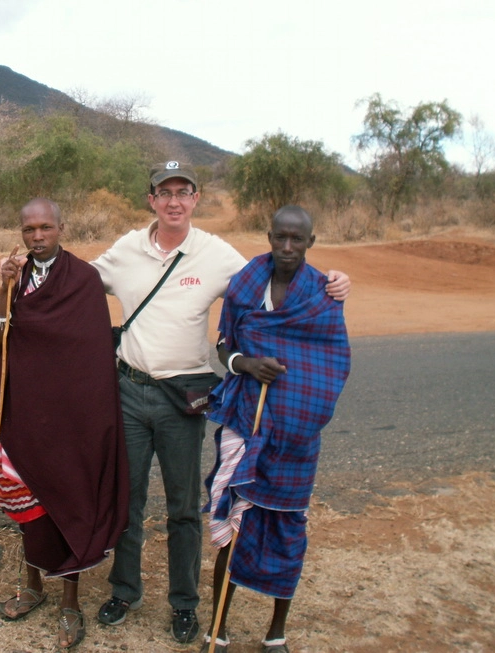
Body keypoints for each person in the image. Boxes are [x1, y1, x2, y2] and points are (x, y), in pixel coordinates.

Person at [90, 162, 351, 644]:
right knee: (126, 500)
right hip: (126, 389)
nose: (173, 201)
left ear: (195, 198)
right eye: (163, 192)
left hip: (183, 396)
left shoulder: (218, 255)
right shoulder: (126, 248)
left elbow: (274, 273)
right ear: (151, 199)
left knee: (185, 507)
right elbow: (81, 284)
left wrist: (333, 281)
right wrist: (27, 272)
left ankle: (184, 605)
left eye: (183, 192)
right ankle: (124, 591)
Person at [0, 198, 128, 650]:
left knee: (68, 496)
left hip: (70, 417)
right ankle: (32, 585)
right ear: (21, 231)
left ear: (61, 228)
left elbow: (91, 357)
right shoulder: (17, 276)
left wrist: (90, 418)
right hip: (21, 410)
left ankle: (70, 600)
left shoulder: (85, 280)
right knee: (24, 495)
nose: (37, 236)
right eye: (29, 228)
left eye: (46, 228)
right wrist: (3, 287)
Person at [200, 205, 351, 653]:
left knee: (288, 527)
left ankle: (275, 634)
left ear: (310, 242)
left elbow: (332, 363)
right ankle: (218, 629)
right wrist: (245, 363)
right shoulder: (246, 283)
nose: (287, 247)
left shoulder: (323, 295)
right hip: (246, 418)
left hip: (296, 434)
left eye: (297, 240)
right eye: (280, 238)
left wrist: (301, 415)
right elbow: (224, 345)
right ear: (268, 237)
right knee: (233, 518)